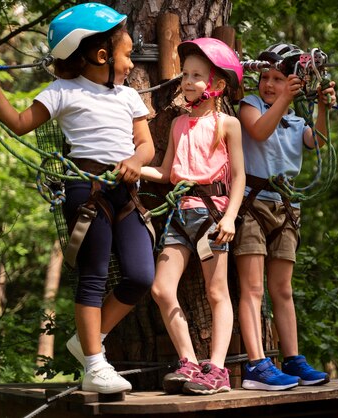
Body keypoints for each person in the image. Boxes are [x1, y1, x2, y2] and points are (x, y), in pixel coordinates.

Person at [0, 3, 155, 394]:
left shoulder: (129, 96)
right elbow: (18, 123)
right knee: (94, 275)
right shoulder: (63, 91)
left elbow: (146, 145)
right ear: (102, 56)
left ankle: (87, 339)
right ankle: (94, 363)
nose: (132, 62)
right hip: (87, 191)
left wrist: (135, 160)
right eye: (127, 54)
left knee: (139, 276)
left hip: (125, 192)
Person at [141, 37, 245, 395]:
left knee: (217, 292)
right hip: (179, 215)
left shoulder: (227, 124)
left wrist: (230, 217)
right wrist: (131, 167)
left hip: (210, 217)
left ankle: (217, 369)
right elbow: (168, 172)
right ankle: (189, 361)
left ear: (216, 85)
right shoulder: (177, 125)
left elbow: (241, 176)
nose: (187, 81)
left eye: (197, 76)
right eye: (185, 74)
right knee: (160, 288)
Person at [233, 43, 336, 391]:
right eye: (265, 77)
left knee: (282, 289)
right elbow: (259, 131)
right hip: (252, 204)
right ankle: (257, 365)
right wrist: (284, 99)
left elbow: (318, 141)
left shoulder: (295, 120)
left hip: (286, 207)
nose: (269, 84)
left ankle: (292, 358)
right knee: (252, 288)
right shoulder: (251, 106)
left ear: (295, 82)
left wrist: (322, 107)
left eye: (279, 78)